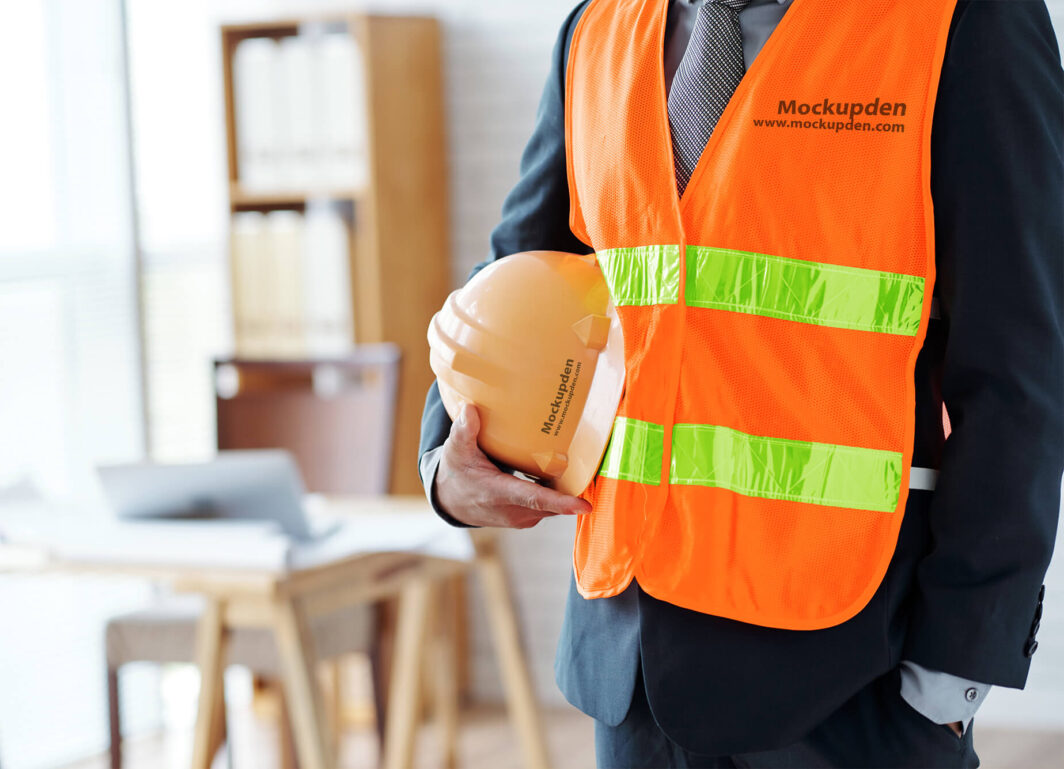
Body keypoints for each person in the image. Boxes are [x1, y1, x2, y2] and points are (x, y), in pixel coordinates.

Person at [419, 1, 1064, 766]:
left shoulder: (960, 21)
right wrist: (447, 456)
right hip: (629, 669)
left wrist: (951, 676)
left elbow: (1021, 368)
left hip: (852, 674)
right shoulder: (597, 28)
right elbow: (516, 274)